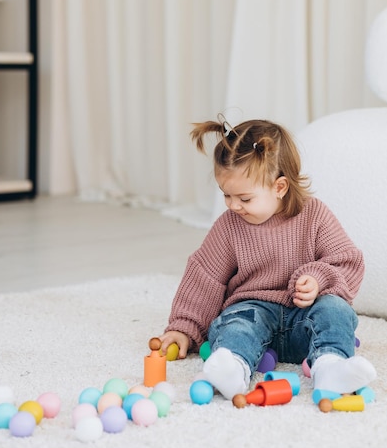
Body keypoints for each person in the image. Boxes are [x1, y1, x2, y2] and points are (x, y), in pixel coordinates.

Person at [158, 116, 377, 400]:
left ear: (280, 187)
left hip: (304, 323)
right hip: (254, 315)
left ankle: (331, 366)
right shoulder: (229, 225)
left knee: (335, 311)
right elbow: (205, 276)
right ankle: (233, 367)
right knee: (236, 322)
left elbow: (347, 260)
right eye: (226, 195)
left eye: (245, 199)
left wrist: (318, 279)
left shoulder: (314, 215)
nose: (234, 205)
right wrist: (184, 328)